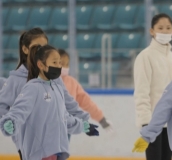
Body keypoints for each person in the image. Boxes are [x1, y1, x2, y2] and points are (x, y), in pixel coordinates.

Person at [0, 28, 91, 160]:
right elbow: (3, 106)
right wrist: (12, 126)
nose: (42, 50)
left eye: (44, 47)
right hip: (29, 145)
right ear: (25, 49)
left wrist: (82, 119)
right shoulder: (16, 80)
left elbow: (66, 101)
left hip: (54, 144)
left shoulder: (53, 78)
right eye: (37, 47)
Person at [133, 13, 172, 160]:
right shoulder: (145, 56)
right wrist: (146, 123)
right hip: (153, 122)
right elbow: (141, 92)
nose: (165, 31)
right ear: (152, 31)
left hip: (170, 123)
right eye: (160, 28)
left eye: (168, 28)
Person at [58, 49, 112, 132]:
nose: (65, 67)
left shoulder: (72, 83)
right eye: (61, 64)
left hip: (67, 127)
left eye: (67, 64)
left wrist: (101, 119)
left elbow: (86, 102)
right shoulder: (45, 81)